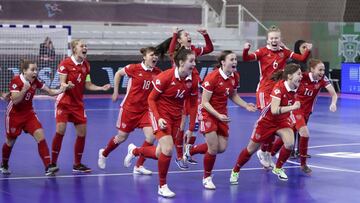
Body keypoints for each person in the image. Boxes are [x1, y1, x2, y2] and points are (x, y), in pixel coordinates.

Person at [123, 48, 199, 198]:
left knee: (160, 153)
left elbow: (192, 104)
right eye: (191, 61)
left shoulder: (193, 79)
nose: (194, 64)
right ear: (181, 62)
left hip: (176, 117)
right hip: (160, 114)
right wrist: (158, 118)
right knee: (168, 149)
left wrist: (191, 128)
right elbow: (151, 99)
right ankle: (162, 185)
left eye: (195, 61)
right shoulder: (165, 77)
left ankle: (135, 151)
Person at [183, 50, 256, 189]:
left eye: (235, 59)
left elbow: (233, 95)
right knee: (213, 147)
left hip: (222, 113)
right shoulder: (212, 77)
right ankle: (207, 177)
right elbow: (204, 102)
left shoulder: (235, 76)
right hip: (208, 113)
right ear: (223, 62)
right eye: (231, 59)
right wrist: (217, 115)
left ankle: (191, 151)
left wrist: (246, 105)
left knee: (221, 148)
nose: (235, 62)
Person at [242, 25, 312, 168]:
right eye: (272, 38)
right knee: (269, 121)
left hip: (277, 91)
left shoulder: (284, 52)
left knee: (276, 123)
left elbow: (302, 58)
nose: (274, 40)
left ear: (280, 40)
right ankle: (263, 150)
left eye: (277, 38)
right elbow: (246, 58)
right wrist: (246, 49)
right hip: (263, 91)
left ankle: (265, 151)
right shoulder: (262, 52)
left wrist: (308, 49)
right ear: (267, 40)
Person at [229, 63, 302, 184]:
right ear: (289, 76)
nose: (301, 76)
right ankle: (235, 170)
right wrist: (292, 107)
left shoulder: (296, 86)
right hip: (267, 121)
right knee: (250, 150)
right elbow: (274, 110)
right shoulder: (279, 88)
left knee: (289, 143)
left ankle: (278, 168)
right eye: (298, 74)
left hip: (282, 121)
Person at [97, 47, 161, 175]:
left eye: (156, 56)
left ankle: (138, 165)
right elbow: (118, 74)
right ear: (144, 57)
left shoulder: (158, 72)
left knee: (151, 136)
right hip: (129, 109)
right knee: (121, 138)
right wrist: (115, 91)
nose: (155, 58)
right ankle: (104, 153)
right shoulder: (134, 68)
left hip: (145, 110)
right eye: (152, 55)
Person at [0, 59, 70, 176]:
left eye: (36, 69)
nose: (35, 72)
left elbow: (50, 91)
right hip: (14, 115)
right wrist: (24, 89)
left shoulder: (35, 81)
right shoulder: (16, 80)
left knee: (40, 136)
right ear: (24, 71)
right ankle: (4, 164)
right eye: (32, 70)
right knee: (10, 142)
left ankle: (48, 166)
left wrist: (63, 89)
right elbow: (15, 101)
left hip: (29, 114)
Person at [51, 39, 111, 173]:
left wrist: (101, 88)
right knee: (60, 130)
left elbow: (88, 85)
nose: (85, 48)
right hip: (64, 102)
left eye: (86, 46)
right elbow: (62, 84)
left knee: (82, 133)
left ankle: (77, 164)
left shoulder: (86, 66)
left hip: (78, 104)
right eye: (82, 46)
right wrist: (67, 86)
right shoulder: (65, 63)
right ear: (74, 49)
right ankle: (52, 163)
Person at [269, 59, 337, 174]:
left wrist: (333, 103)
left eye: (323, 69)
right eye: (320, 70)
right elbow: (286, 81)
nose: (322, 72)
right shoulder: (302, 77)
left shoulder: (323, 79)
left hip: (307, 112)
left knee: (288, 135)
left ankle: (269, 155)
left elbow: (334, 94)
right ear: (312, 70)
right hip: (296, 109)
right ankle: (303, 164)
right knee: (304, 133)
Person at [168, 27, 214, 168]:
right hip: (181, 91)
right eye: (185, 35)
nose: (189, 36)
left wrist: (206, 35)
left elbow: (209, 49)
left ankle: (187, 153)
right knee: (181, 126)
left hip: (193, 89)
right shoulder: (176, 53)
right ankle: (179, 157)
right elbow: (170, 50)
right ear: (180, 40)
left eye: (189, 34)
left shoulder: (193, 49)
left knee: (194, 124)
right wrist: (174, 35)